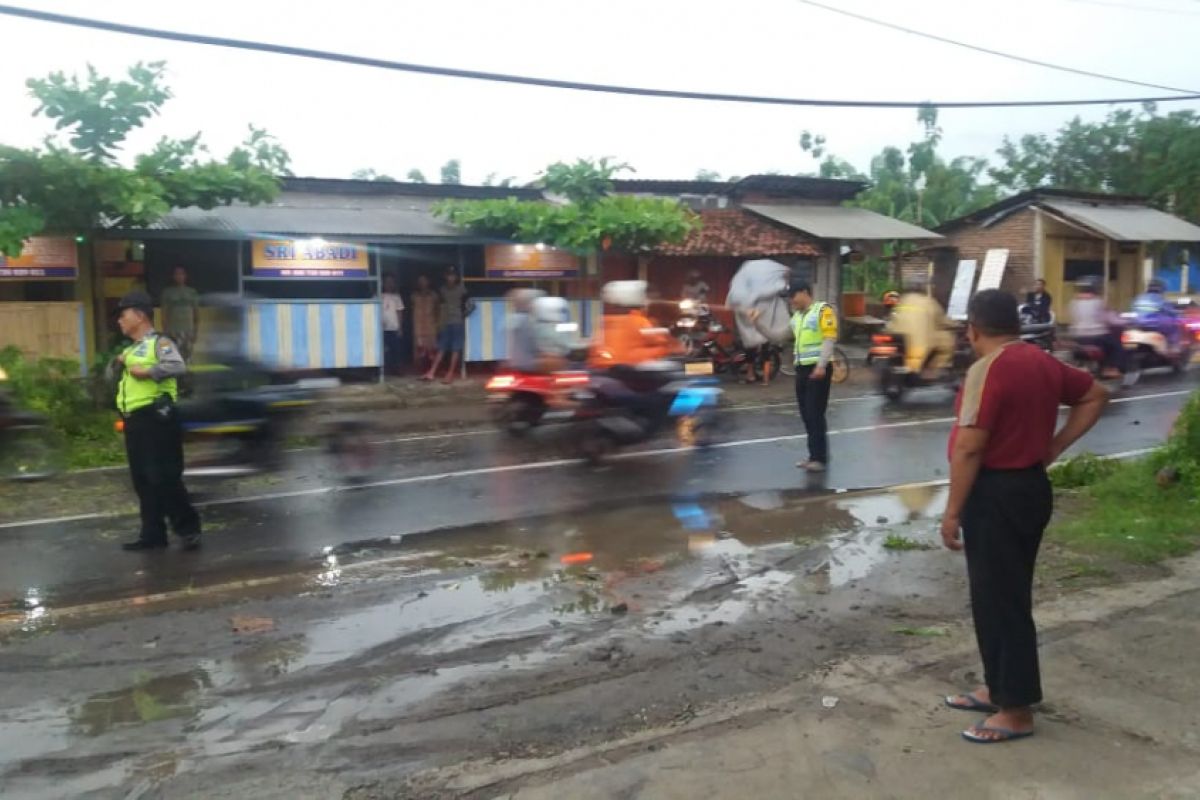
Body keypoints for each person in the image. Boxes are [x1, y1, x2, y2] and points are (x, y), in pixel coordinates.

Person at [941, 290, 1107, 744]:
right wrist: (1052, 447)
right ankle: (998, 688)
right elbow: (1095, 394)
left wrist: (952, 511)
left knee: (1002, 601)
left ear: (973, 328)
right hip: (1028, 487)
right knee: (997, 595)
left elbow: (970, 446)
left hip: (997, 493)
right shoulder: (1040, 360)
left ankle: (1015, 711)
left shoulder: (987, 369)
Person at [113, 290, 202, 552]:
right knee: (142, 480)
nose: (119, 320)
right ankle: (153, 535)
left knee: (163, 477)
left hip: (157, 418)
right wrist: (118, 363)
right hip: (135, 421)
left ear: (140, 316)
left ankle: (188, 529)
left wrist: (148, 372)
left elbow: (177, 366)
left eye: (123, 314)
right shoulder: (131, 349)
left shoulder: (160, 343)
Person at [790, 282, 838, 473]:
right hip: (801, 369)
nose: (791, 300)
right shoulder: (797, 317)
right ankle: (813, 456)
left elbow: (829, 338)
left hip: (818, 369)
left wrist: (821, 365)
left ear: (804, 292)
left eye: (793, 295)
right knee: (805, 414)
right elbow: (779, 336)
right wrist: (757, 323)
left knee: (814, 413)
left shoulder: (823, 310)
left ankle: (820, 457)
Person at [889, 278, 955, 377]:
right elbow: (941, 320)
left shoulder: (901, 300)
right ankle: (931, 370)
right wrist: (954, 324)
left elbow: (892, 318)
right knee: (948, 339)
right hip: (918, 343)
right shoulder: (928, 302)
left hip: (896, 337)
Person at [423, 268, 473, 383]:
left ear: (456, 277)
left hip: (457, 323)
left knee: (455, 349)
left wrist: (463, 315)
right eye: (449, 275)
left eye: (453, 276)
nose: (450, 278)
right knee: (441, 348)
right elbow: (439, 306)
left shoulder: (462, 289)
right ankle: (432, 372)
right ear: (445, 277)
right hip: (445, 323)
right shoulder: (442, 290)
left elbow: (471, 305)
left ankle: (450, 374)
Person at [1068, 277, 1122, 378]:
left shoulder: (1074, 302)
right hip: (1097, 336)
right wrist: (1123, 321)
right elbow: (1110, 319)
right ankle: (1111, 368)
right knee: (1117, 346)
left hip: (1078, 337)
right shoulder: (1099, 302)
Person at [161, 266, 200, 362]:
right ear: (173, 276)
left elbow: (196, 313)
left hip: (188, 329)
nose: (179, 276)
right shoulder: (167, 292)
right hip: (173, 330)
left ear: (185, 276)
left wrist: (195, 331)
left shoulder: (192, 292)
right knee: (171, 355)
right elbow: (164, 312)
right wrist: (165, 330)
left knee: (187, 355)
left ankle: (186, 374)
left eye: (181, 274)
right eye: (177, 274)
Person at [1132, 279, 1181, 349]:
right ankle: (1173, 347)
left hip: (1139, 325)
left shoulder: (1139, 298)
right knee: (1175, 324)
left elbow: (1134, 310)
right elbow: (1172, 313)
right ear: (1161, 289)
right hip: (1156, 326)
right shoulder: (1160, 300)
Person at [411, 274, 439, 372]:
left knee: (432, 350)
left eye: (424, 281)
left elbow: (437, 310)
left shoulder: (434, 295)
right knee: (420, 350)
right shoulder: (414, 296)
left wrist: (436, 322)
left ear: (428, 282)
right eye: (420, 281)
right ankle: (420, 370)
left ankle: (432, 370)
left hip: (431, 325)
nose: (422, 283)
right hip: (418, 326)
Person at [380, 274, 405, 376]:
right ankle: (384, 370)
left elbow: (399, 312)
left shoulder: (397, 297)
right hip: (381, 328)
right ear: (382, 283)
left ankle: (396, 370)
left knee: (396, 350)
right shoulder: (378, 295)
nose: (389, 284)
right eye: (387, 282)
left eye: (391, 282)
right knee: (384, 350)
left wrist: (400, 327)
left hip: (394, 327)